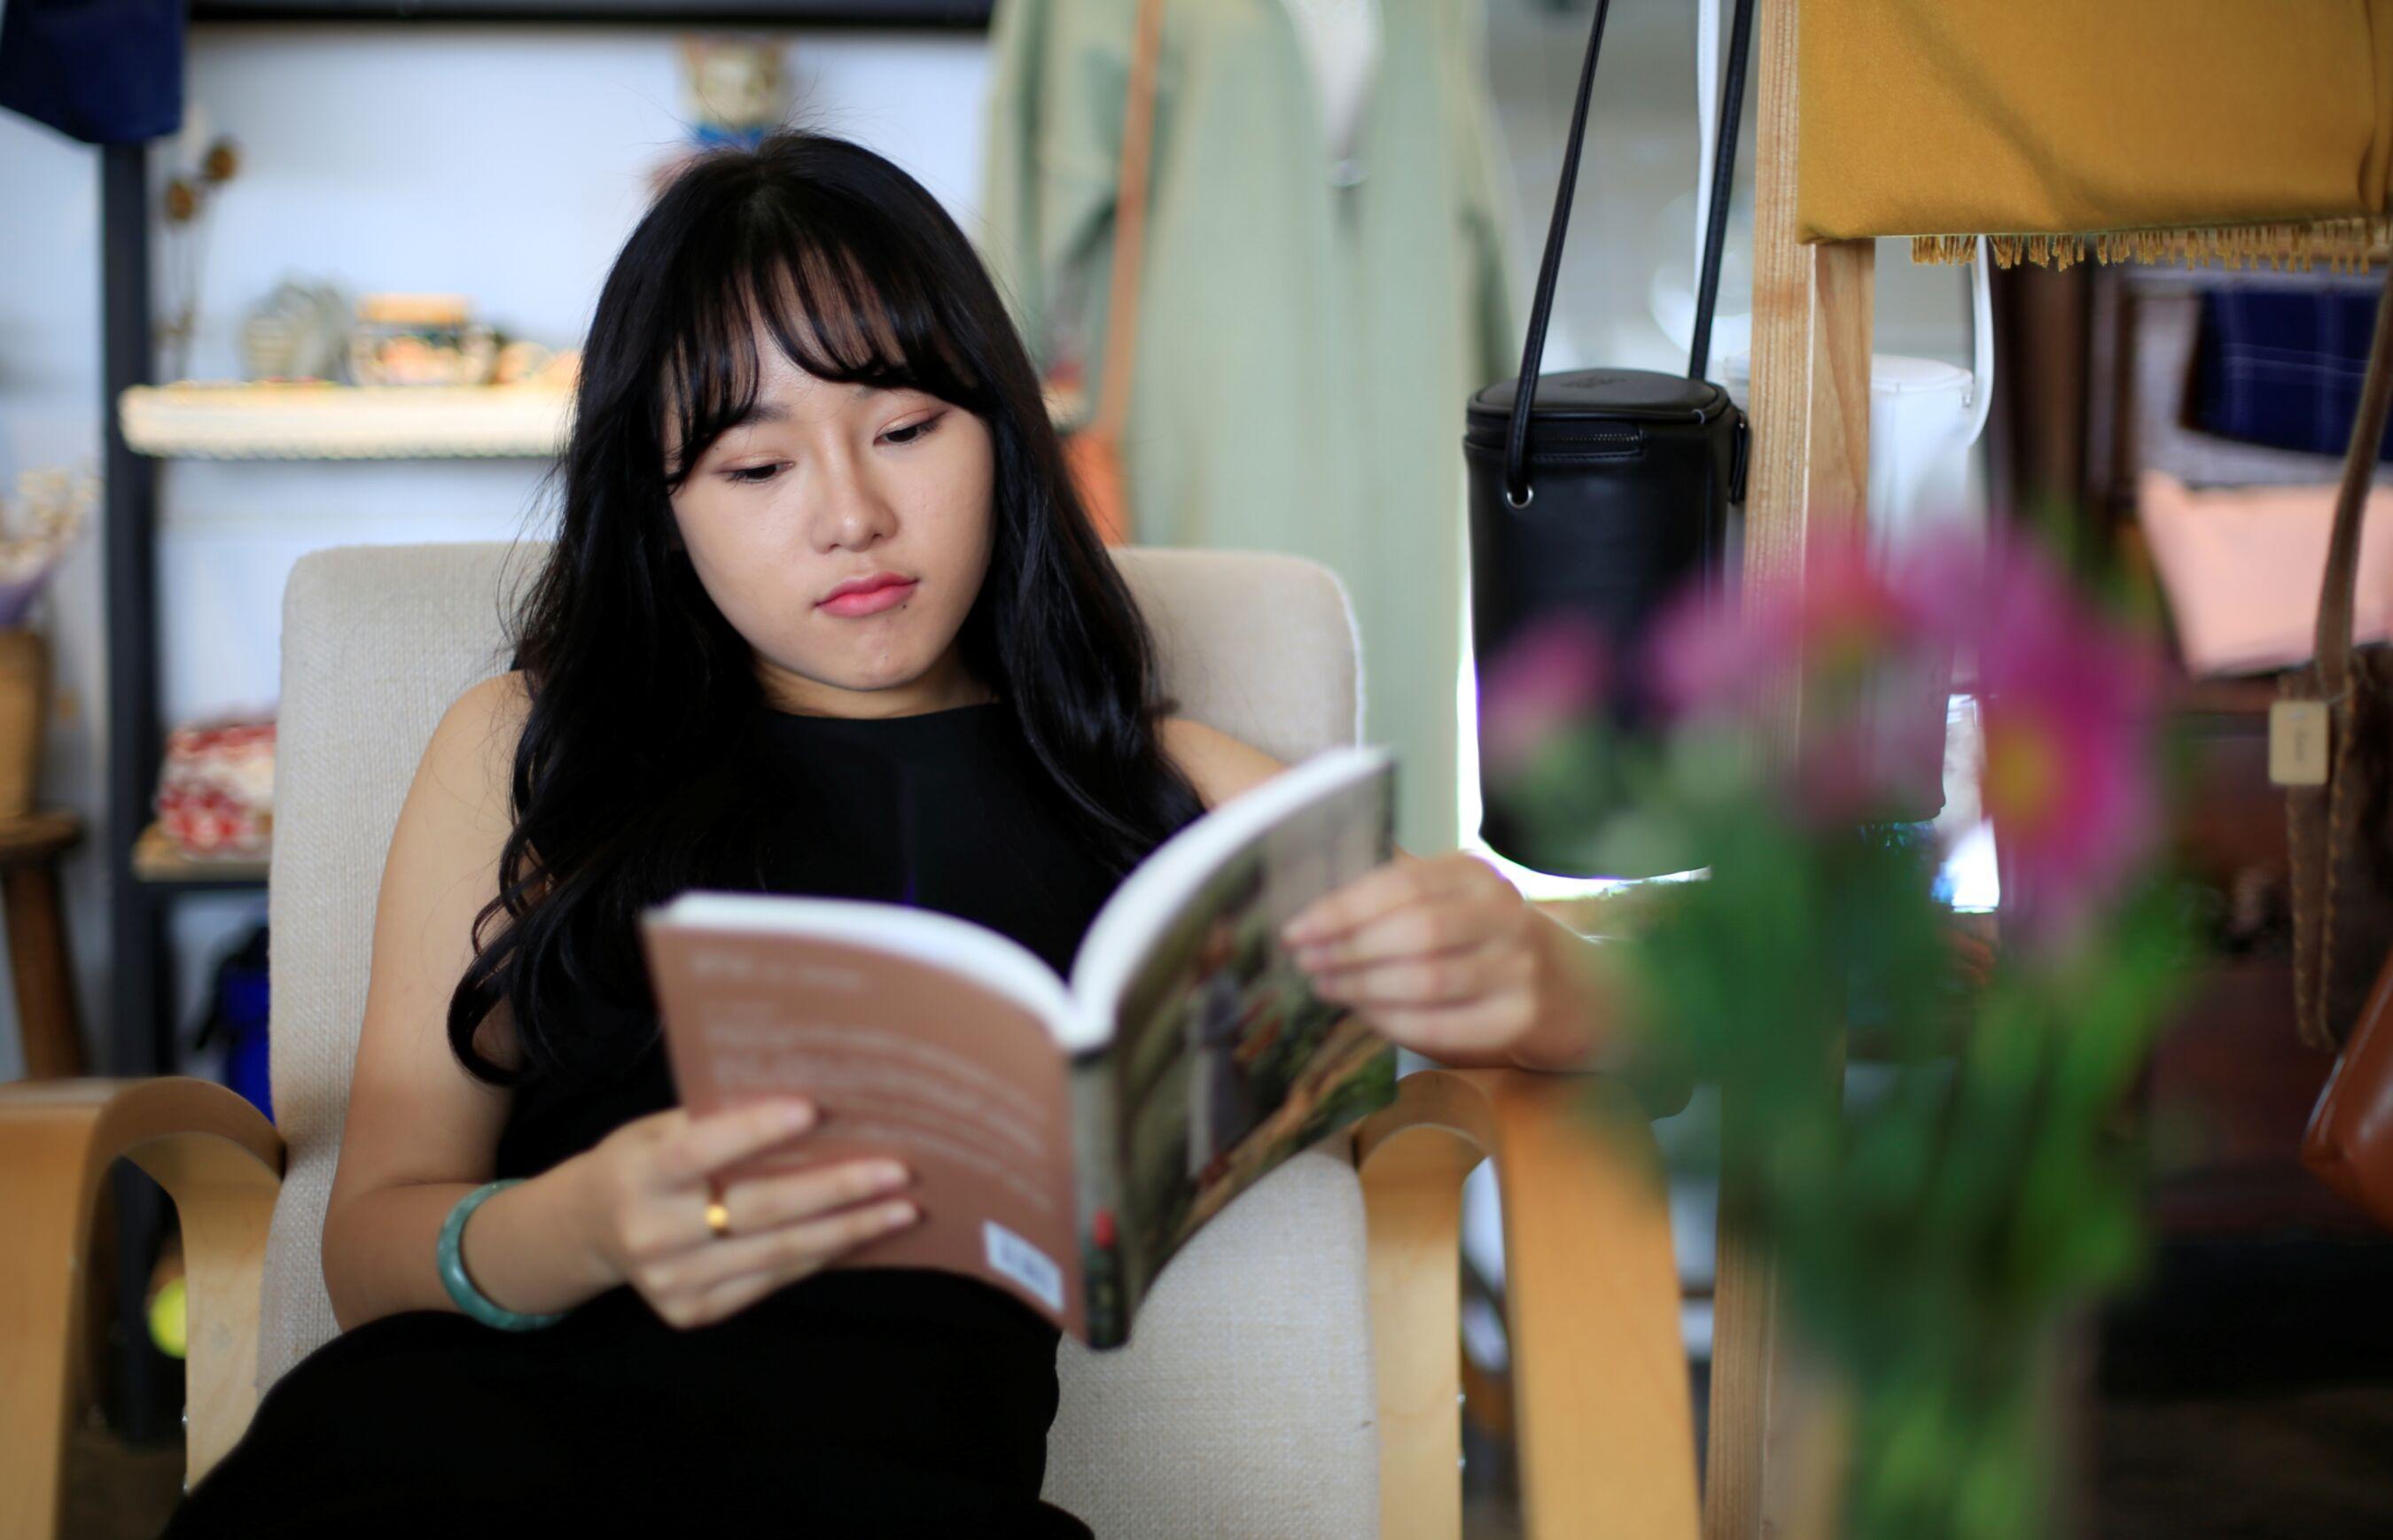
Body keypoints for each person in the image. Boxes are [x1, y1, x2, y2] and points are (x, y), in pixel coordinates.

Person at [157, 128, 1616, 1540]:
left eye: (907, 430)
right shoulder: (531, 748)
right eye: (755, 469)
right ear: (662, 507)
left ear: (1000, 433)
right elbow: (367, 1244)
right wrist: (580, 1226)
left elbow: (1633, 1021)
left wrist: (1521, 968)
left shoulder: (1142, 775)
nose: (850, 515)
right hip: (473, 1463)